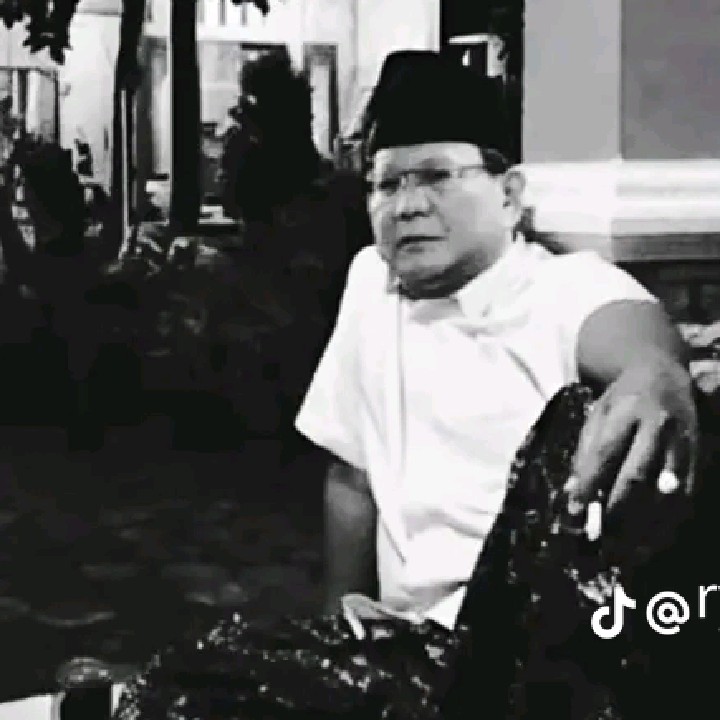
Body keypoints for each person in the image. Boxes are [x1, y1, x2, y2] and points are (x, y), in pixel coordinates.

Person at [111, 52, 704, 720]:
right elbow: (351, 474)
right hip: (402, 653)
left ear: (509, 195)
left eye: (438, 177)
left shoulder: (554, 288)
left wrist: (653, 374)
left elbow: (632, 335)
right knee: (183, 685)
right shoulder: (372, 282)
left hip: (528, 666)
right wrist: (340, 624)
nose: (408, 205)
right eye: (387, 183)